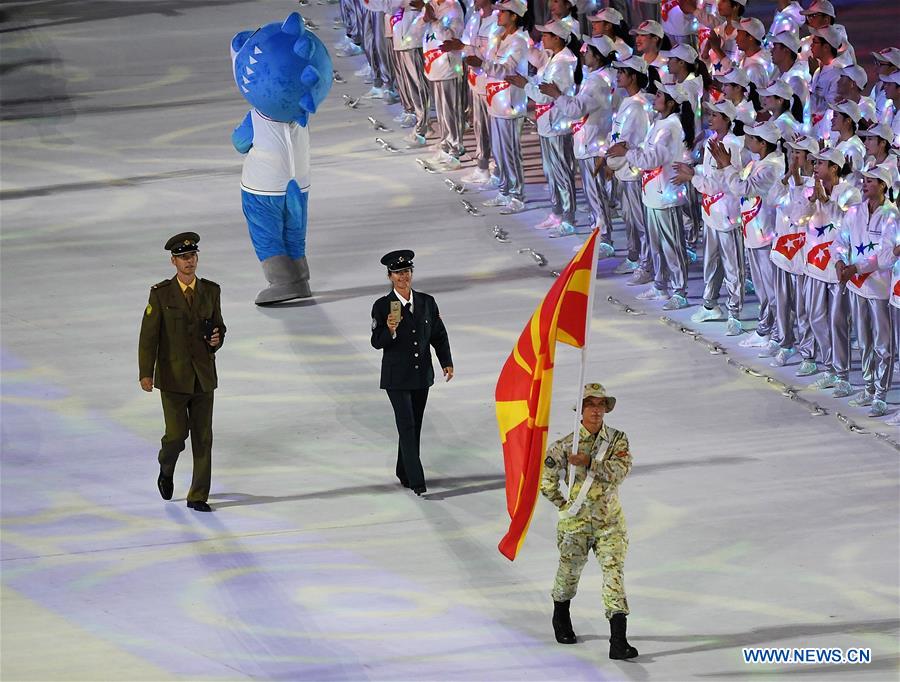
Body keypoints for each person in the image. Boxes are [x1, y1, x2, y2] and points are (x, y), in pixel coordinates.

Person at [540, 383, 637, 660]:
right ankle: (561, 617)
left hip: (609, 524)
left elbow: (620, 471)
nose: (596, 410)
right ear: (580, 410)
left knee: (614, 575)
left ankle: (618, 640)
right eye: (590, 404)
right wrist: (563, 505)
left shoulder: (617, 440)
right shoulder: (563, 445)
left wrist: (588, 463)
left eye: (601, 405)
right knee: (568, 574)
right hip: (576, 525)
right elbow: (545, 482)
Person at [139, 233, 226, 513]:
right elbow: (148, 337)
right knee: (176, 436)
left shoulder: (211, 291)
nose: (189, 262)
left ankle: (198, 495)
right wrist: (146, 372)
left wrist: (217, 338)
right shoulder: (161, 294)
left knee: (203, 437)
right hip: (173, 377)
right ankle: (167, 465)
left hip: (203, 377)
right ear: (173, 261)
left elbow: (218, 327)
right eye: (183, 258)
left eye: (192, 256)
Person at [370, 250, 453, 495]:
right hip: (396, 378)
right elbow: (377, 342)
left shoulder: (427, 302)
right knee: (406, 425)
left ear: (412, 273)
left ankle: (403, 470)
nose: (403, 277)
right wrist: (390, 330)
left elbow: (438, 334)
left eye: (406, 272)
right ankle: (417, 481)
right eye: (397, 273)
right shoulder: (383, 306)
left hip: (420, 376)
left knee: (413, 426)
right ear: (389, 277)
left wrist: (446, 361)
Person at [833, 165, 898, 418]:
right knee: (863, 341)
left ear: (883, 185)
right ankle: (869, 387)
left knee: (884, 344)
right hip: (857, 285)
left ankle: (881, 394)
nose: (865, 184)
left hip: (880, 289)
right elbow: (841, 240)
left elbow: (884, 255)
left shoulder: (891, 214)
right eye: (864, 180)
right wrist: (839, 261)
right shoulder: (854, 211)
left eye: (871, 181)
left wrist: (855, 267)